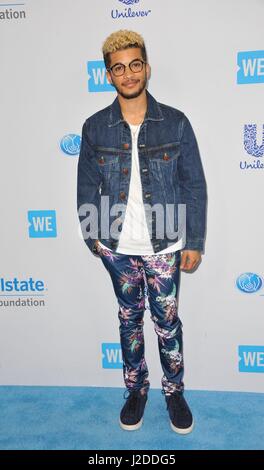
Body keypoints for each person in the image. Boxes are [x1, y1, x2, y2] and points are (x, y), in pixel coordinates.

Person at [77, 30, 207, 434]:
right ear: (109, 76)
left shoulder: (176, 122)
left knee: (167, 323)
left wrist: (195, 241)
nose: (128, 74)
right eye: (119, 68)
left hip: (166, 241)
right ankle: (136, 390)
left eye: (135, 65)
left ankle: (174, 391)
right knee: (129, 320)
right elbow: (85, 185)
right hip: (116, 245)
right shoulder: (95, 127)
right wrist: (92, 236)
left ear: (146, 68)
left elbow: (193, 185)